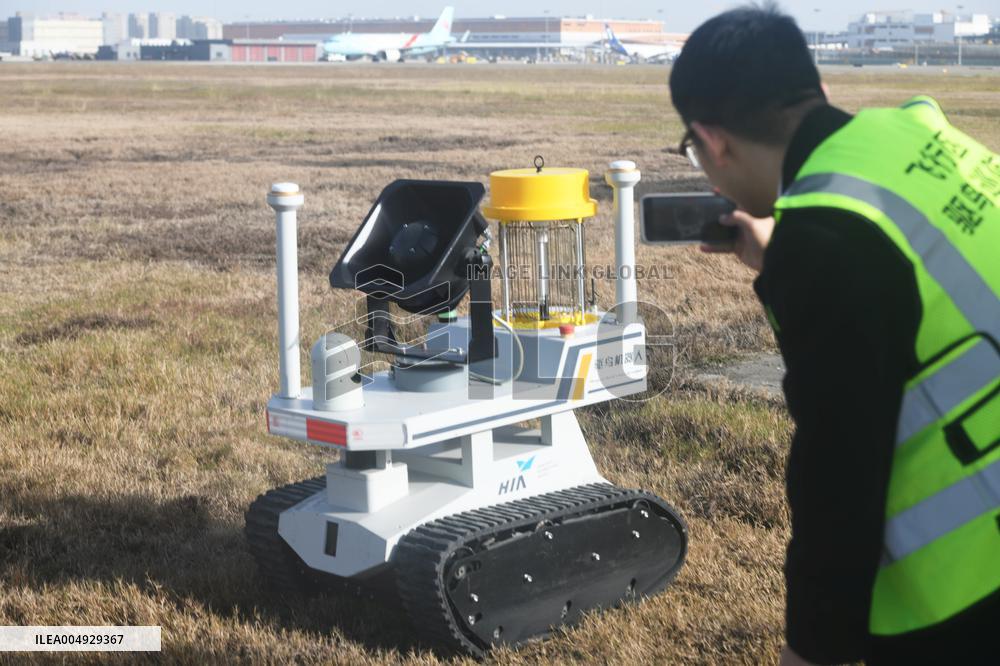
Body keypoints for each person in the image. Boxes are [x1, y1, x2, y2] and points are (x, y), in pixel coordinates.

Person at [668, 5, 1000, 665]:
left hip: (969, 583)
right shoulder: (910, 135)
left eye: (692, 149)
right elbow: (908, 291)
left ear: (713, 140)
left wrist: (812, 646)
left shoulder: (825, 238)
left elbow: (837, 471)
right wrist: (782, 261)